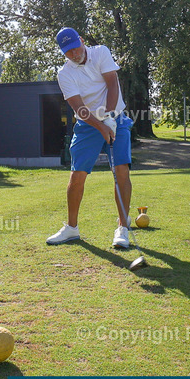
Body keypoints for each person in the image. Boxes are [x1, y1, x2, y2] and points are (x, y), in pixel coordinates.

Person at [46, 27, 135, 249]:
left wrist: (111, 118)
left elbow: (112, 83)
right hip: (87, 125)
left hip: (117, 119)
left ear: (82, 41)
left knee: (121, 171)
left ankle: (122, 227)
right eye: (68, 52)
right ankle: (71, 228)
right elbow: (78, 107)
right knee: (77, 175)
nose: (74, 54)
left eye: (75, 48)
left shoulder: (101, 52)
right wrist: (101, 125)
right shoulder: (64, 74)